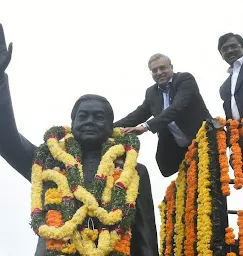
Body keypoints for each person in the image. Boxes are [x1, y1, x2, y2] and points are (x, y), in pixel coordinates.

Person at [0, 24, 158, 256]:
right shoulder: (48, 164)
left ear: (110, 127)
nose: (90, 121)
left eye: (99, 117)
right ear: (72, 125)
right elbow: (6, 139)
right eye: (83, 116)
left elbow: (145, 236)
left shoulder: (133, 172)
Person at [114, 53, 211, 177]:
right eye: (154, 70)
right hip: (181, 152)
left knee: (209, 185)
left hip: (204, 141)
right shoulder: (151, 93)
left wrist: (146, 127)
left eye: (163, 68)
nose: (159, 72)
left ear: (171, 67)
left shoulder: (185, 79)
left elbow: (176, 107)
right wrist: (107, 128)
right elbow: (137, 115)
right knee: (188, 189)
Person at [218, 33, 243, 130]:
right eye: (224, 49)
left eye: (233, 46)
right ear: (222, 55)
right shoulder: (224, 88)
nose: (229, 51)